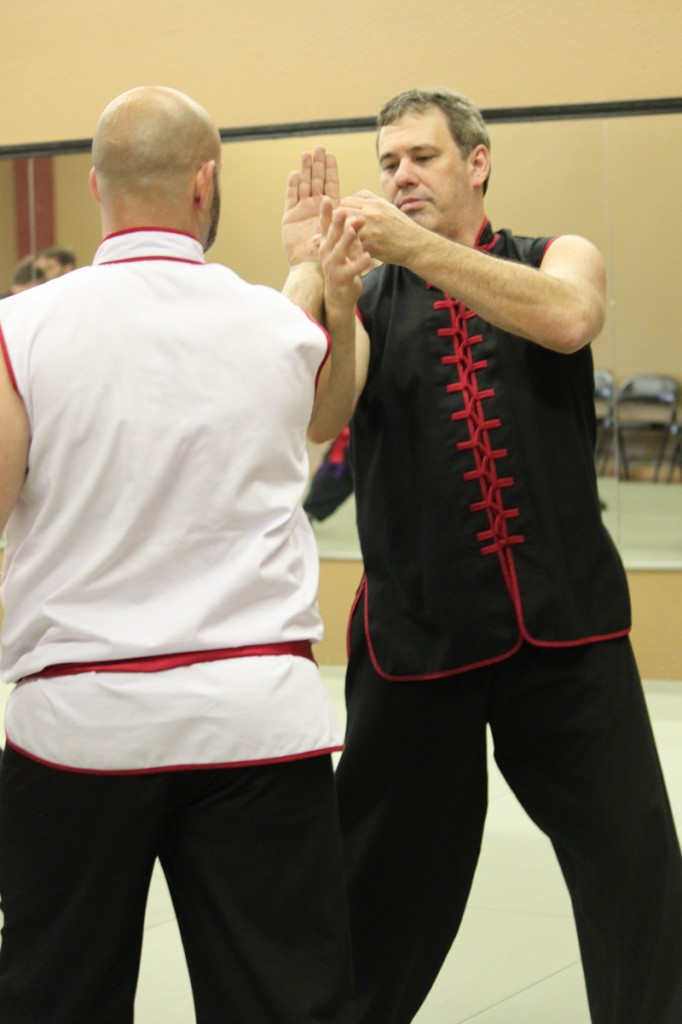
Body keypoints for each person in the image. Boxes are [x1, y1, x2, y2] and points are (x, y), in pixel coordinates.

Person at [282, 87, 682, 1024]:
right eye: (386, 164)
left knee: (638, 877)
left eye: (421, 157)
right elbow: (321, 415)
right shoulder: (371, 299)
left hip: (570, 632)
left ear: (477, 162)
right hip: (419, 644)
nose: (400, 178)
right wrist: (323, 287)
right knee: (373, 893)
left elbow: (569, 319)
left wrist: (414, 245)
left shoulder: (554, 256)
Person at [0, 85, 368, 1024]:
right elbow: (328, 413)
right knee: (284, 1001)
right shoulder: (278, 325)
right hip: (256, 727)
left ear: (95, 188)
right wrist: (332, 289)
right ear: (205, 183)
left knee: (57, 996)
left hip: (79, 728)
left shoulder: (20, 327)